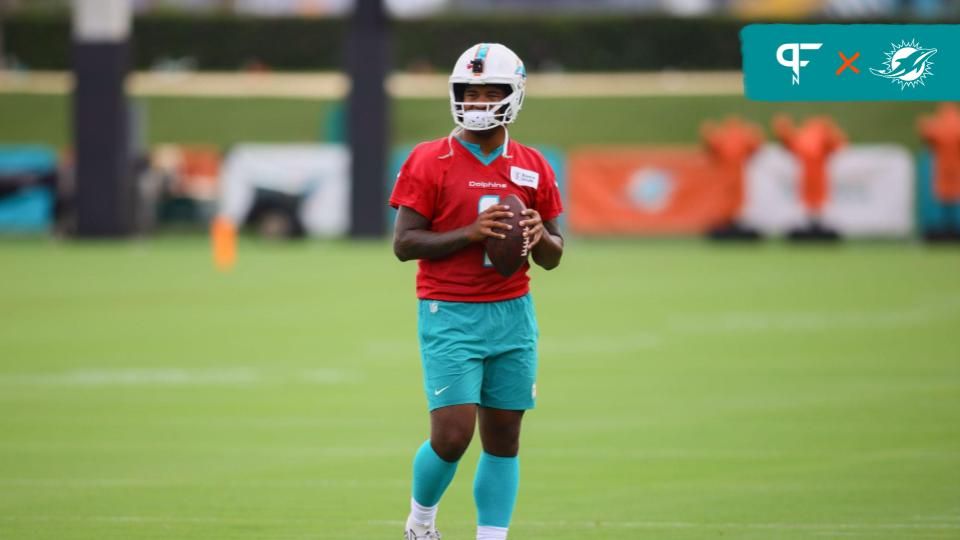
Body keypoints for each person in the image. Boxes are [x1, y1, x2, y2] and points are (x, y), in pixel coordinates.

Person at [390, 43, 564, 540]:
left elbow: (554, 255)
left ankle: (492, 536)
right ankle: (420, 522)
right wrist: (470, 233)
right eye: (470, 91)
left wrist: (538, 235)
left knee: (505, 436)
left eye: (491, 91)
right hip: (451, 312)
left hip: (512, 312)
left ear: (514, 94)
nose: (479, 100)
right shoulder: (430, 159)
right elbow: (404, 244)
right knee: (452, 434)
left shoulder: (533, 164)